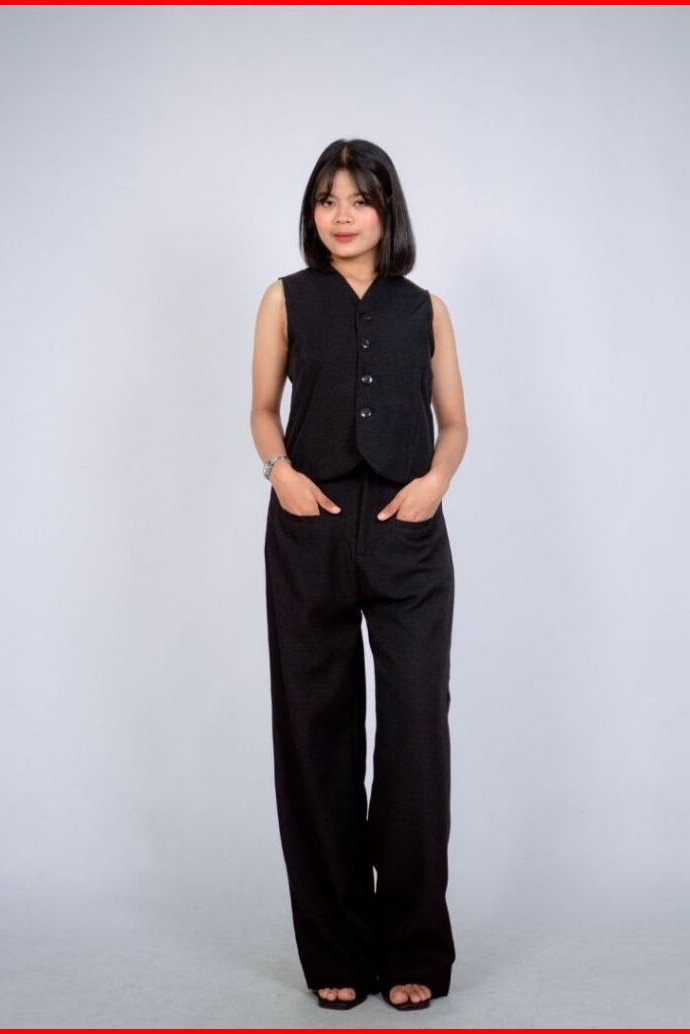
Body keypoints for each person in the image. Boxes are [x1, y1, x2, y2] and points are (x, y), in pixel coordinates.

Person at [249, 138, 469, 1012]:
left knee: (415, 736)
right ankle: (336, 946)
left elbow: (454, 423)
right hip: (309, 530)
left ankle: (413, 945)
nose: (342, 216)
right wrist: (281, 473)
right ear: (312, 212)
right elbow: (262, 410)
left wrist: (435, 482)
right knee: (316, 735)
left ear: (387, 211)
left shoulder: (427, 309)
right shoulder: (284, 298)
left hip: (408, 538)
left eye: (360, 199)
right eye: (327, 199)